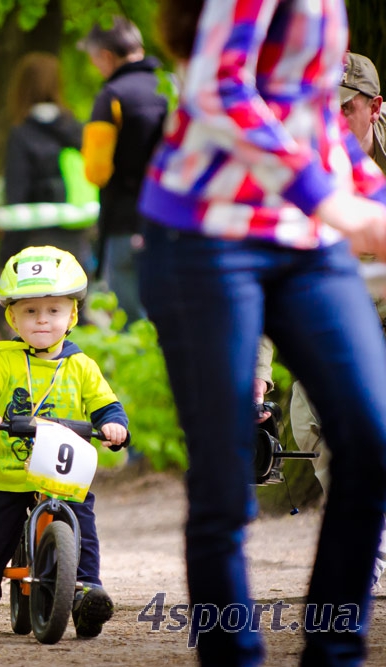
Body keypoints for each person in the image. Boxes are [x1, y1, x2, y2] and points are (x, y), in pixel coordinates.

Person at [142, 2, 386, 664]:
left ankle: (334, 653)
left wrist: (375, 197)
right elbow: (216, 87)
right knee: (226, 477)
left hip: (302, 240)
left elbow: (313, 119)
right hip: (206, 236)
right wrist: (330, 201)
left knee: (372, 438)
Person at [254, 51, 386, 587]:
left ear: (375, 107)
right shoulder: (297, 172)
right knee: (312, 423)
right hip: (336, 311)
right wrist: (256, 371)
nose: (333, 125)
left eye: (345, 111)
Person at [0, 245, 130, 637]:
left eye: (53, 310)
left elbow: (105, 404)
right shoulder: (3, 362)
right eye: (30, 311)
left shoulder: (81, 366)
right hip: (10, 474)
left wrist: (115, 427)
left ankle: (85, 592)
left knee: (81, 523)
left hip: (63, 475)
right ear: (12, 317)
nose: (42, 320)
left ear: (72, 315)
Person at [78, 16, 168, 326]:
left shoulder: (110, 97)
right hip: (175, 223)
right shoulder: (173, 87)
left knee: (133, 324)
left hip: (125, 223)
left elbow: (96, 171)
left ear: (105, 56)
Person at [1, 52, 88, 268]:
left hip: (35, 243)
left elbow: (16, 195)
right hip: (78, 235)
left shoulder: (22, 134)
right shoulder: (76, 129)